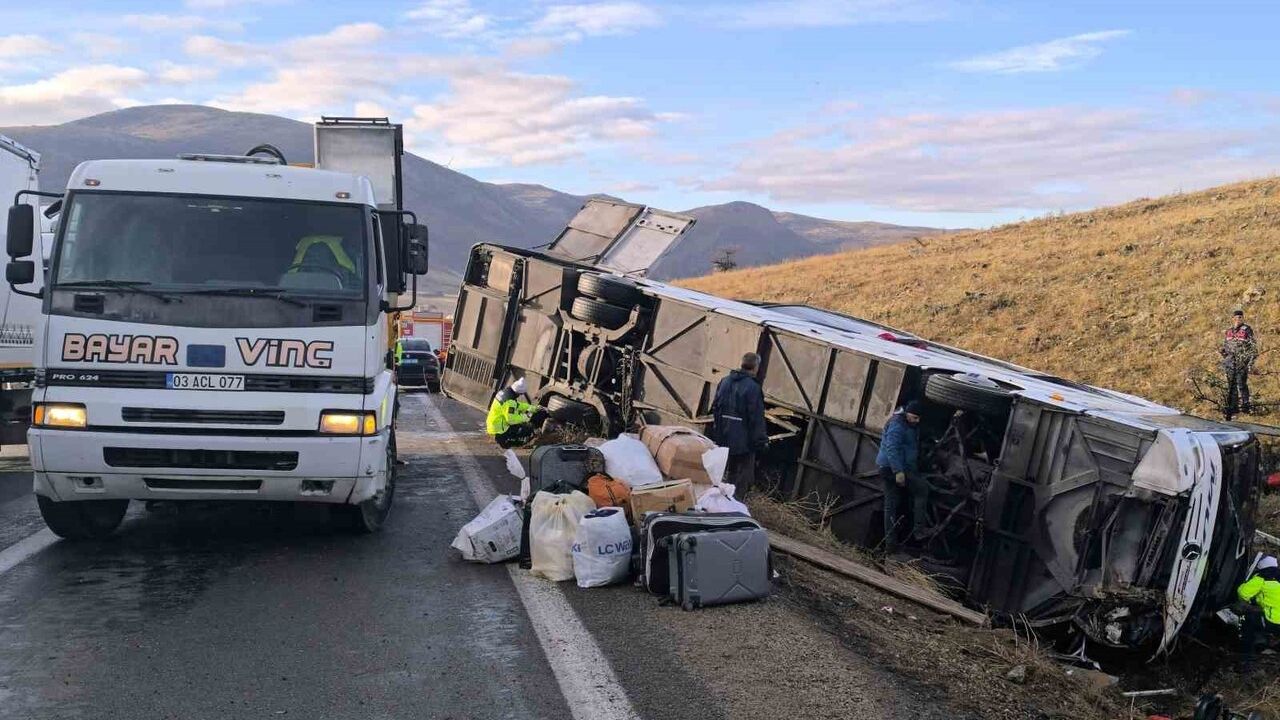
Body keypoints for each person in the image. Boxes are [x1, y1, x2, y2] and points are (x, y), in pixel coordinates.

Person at [876, 400, 930, 554]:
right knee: (922, 489)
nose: (917, 421)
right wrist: (898, 471)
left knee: (891, 506)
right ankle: (919, 531)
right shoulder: (897, 424)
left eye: (919, 418)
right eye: (915, 417)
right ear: (907, 413)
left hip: (893, 468)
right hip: (891, 468)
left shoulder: (909, 424)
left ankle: (890, 545)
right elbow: (892, 448)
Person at [710, 352, 768, 494]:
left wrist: (718, 432)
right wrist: (761, 442)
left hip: (722, 439)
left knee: (719, 478)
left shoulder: (724, 381)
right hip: (743, 445)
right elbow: (756, 418)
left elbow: (715, 408)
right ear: (756, 367)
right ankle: (733, 504)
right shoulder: (753, 388)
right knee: (739, 482)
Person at [485, 378, 546, 449]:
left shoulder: (505, 393)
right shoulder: (510, 401)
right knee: (527, 429)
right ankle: (516, 442)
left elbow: (517, 405)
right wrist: (526, 417)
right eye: (521, 394)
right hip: (499, 430)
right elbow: (511, 420)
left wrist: (532, 408)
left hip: (493, 424)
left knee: (521, 423)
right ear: (518, 392)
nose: (520, 395)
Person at [1238, 555, 1280, 655]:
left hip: (1273, 622)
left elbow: (1243, 593)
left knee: (1247, 618)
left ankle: (1247, 652)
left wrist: (1244, 584)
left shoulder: (1261, 578)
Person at [1222, 309, 1258, 416]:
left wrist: (1250, 363)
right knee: (1231, 386)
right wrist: (1224, 355)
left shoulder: (1247, 330)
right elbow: (1225, 346)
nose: (1238, 319)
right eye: (1236, 317)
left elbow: (1252, 347)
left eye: (1240, 317)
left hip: (1242, 363)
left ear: (1243, 318)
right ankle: (1233, 407)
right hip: (1230, 363)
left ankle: (1246, 406)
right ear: (1233, 318)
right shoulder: (1229, 331)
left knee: (1242, 384)